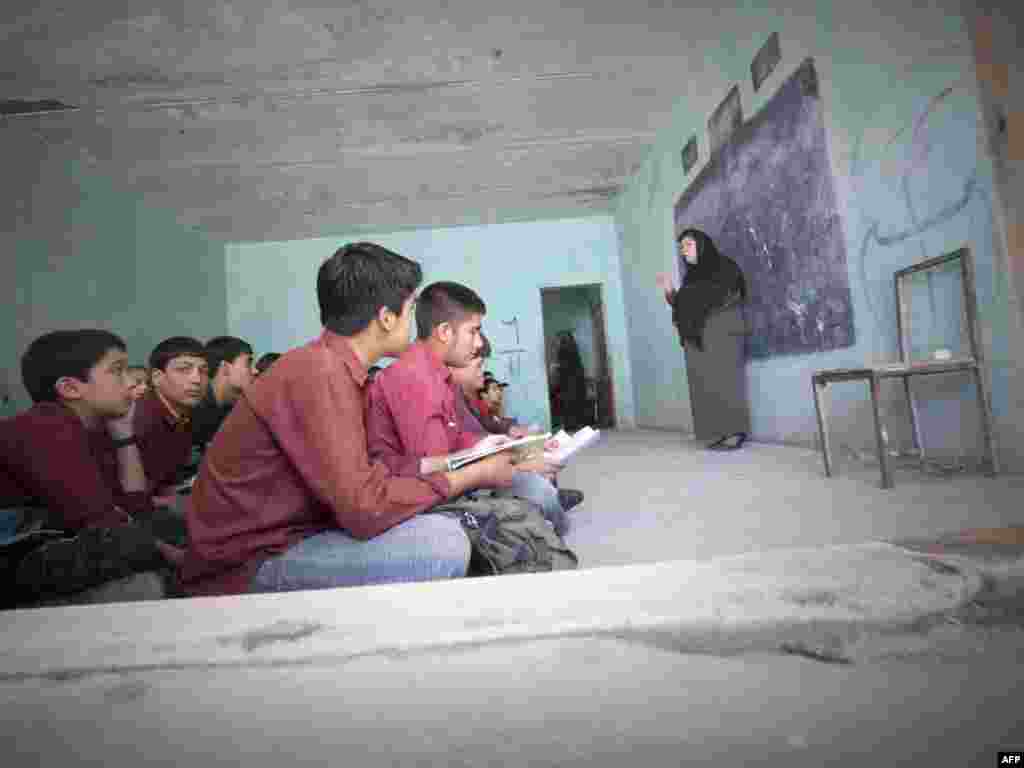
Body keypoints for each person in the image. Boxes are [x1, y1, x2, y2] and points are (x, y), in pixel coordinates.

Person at [180, 242, 522, 597]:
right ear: (386, 317)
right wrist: (469, 476)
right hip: (251, 560)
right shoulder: (320, 373)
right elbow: (365, 509)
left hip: (301, 532)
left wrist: (461, 466)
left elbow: (374, 472)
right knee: (443, 543)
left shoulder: (338, 370)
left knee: (438, 523)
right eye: (410, 310)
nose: (413, 323)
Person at [365, 281, 572, 534]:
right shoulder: (414, 378)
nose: (478, 343)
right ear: (444, 332)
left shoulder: (437, 373)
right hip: (423, 495)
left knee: (540, 491)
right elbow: (439, 470)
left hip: (446, 478)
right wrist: (519, 463)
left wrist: (512, 448)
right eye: (473, 332)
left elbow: (457, 438)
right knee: (539, 494)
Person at [0, 330, 185, 606]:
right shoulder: (48, 426)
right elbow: (102, 524)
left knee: (158, 527)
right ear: (71, 388)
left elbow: (136, 507)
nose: (133, 380)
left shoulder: (93, 430)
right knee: (140, 545)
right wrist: (181, 558)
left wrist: (124, 436)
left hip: (47, 548)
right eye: (117, 370)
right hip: (13, 558)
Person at [656, 228, 749, 451]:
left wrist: (706, 313)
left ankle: (735, 431)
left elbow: (732, 295)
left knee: (727, 383)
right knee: (707, 384)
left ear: (702, 244)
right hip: (700, 338)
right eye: (680, 247)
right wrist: (670, 293)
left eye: (687, 244)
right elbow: (687, 306)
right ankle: (717, 431)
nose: (683, 250)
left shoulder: (725, 267)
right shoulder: (691, 277)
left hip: (722, 333)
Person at [134, 337, 209, 493]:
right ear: (156, 377)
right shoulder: (141, 419)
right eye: (184, 369)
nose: (197, 379)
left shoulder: (187, 412)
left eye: (203, 371)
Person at [192, 336, 254, 453]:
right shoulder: (193, 410)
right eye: (248, 363)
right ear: (225, 368)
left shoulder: (234, 406)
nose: (254, 371)